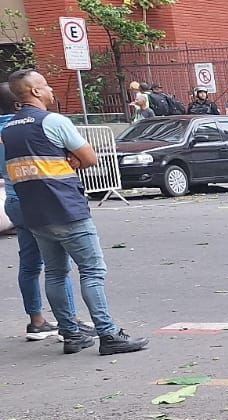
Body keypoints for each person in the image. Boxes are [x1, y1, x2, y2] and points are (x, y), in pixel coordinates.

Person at [3, 70, 147, 355]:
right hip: (67, 209)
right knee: (92, 271)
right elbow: (90, 157)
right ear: (33, 92)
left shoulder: (8, 131)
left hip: (34, 213)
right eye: (45, 85)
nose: (50, 89)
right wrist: (71, 159)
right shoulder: (54, 122)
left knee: (55, 273)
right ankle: (108, 334)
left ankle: (71, 335)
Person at [0, 82, 70, 341]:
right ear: (19, 103)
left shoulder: (4, 130)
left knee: (29, 262)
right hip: (41, 199)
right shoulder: (28, 126)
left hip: (15, 199)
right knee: (58, 264)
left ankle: (36, 320)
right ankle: (69, 322)